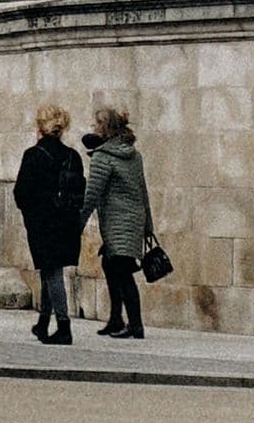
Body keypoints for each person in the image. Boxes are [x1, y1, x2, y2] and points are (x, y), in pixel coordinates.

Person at [13, 104, 85, 344]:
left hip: (43, 223)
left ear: (40, 128)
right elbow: (79, 192)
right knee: (49, 269)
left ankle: (64, 325)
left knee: (52, 272)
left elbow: (20, 193)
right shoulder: (73, 156)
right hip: (67, 222)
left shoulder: (33, 155)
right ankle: (43, 322)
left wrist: (33, 211)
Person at [80, 106, 153, 339]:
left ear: (106, 128)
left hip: (118, 222)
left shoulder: (103, 157)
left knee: (121, 272)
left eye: (97, 123)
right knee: (111, 266)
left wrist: (77, 223)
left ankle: (135, 325)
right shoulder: (134, 154)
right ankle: (115, 319)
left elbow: (91, 194)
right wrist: (147, 224)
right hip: (133, 219)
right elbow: (143, 191)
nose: (94, 127)